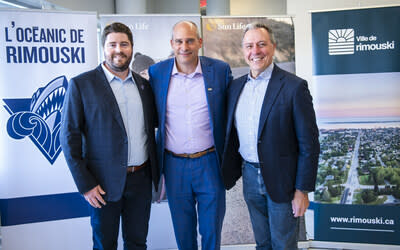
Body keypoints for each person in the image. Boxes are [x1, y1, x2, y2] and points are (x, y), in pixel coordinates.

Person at [60, 22, 159, 250]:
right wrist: (86, 185)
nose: (118, 49)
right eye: (112, 44)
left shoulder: (144, 86)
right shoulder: (82, 85)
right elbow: (69, 137)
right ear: (103, 48)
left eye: (124, 44)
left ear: (131, 47)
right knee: (105, 245)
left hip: (141, 180)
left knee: (137, 243)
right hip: (101, 185)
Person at [221, 23, 320, 250]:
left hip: (283, 181)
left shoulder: (294, 87)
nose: (255, 51)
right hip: (249, 176)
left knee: (283, 244)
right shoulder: (235, 88)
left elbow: (309, 144)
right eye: (249, 46)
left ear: (273, 47)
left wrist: (302, 190)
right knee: (263, 243)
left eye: (261, 44)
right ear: (243, 51)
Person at [148, 20, 232, 250]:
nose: (184, 46)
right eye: (179, 41)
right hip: (174, 166)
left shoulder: (220, 71)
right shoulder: (157, 73)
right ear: (172, 43)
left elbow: (231, 114)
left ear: (200, 42)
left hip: (210, 163)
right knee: (183, 232)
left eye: (190, 41)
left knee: (211, 230)